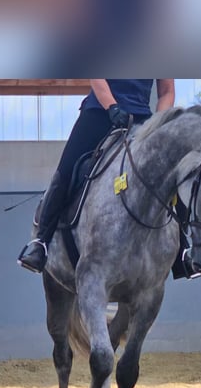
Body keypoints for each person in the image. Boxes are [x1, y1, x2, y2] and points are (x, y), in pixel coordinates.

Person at [18, 79, 185, 275]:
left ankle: (183, 251)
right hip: (100, 110)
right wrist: (112, 107)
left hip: (141, 119)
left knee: (171, 173)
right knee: (67, 169)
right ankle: (41, 243)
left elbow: (166, 92)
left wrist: (157, 123)